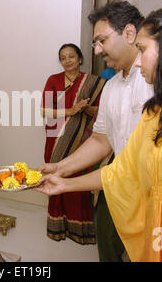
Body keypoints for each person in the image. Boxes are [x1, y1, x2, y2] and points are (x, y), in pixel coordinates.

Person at [35, 5, 162, 262]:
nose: (96, 50)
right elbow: (118, 161)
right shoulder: (145, 102)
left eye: (101, 40)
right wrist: (62, 174)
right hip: (131, 199)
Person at [39, 0, 153, 262]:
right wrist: (60, 168)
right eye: (95, 43)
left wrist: (66, 183)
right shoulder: (111, 86)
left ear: (129, 32)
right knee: (107, 243)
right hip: (118, 178)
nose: (98, 50)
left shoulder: (154, 80)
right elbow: (101, 140)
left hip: (152, 184)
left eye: (102, 40)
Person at [41, 43, 106, 244]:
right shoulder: (54, 80)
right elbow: (45, 110)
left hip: (83, 138)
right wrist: (71, 110)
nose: (67, 61)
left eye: (71, 56)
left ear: (80, 59)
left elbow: (102, 112)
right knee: (56, 175)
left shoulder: (94, 83)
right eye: (63, 58)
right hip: (56, 136)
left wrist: (85, 109)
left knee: (77, 177)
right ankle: (57, 226)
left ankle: (80, 230)